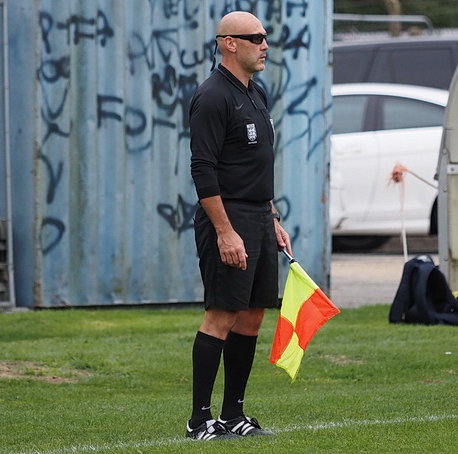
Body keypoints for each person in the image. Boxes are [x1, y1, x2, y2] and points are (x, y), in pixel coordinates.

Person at [186, 11, 292, 441]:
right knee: (221, 315)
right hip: (226, 217)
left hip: (258, 217)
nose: (264, 45)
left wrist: (272, 219)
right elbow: (203, 169)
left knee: (251, 316)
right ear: (229, 42)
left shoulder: (257, 93)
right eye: (255, 38)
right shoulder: (212, 96)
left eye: (265, 37)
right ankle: (199, 420)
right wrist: (225, 231)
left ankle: (233, 416)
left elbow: (256, 166)